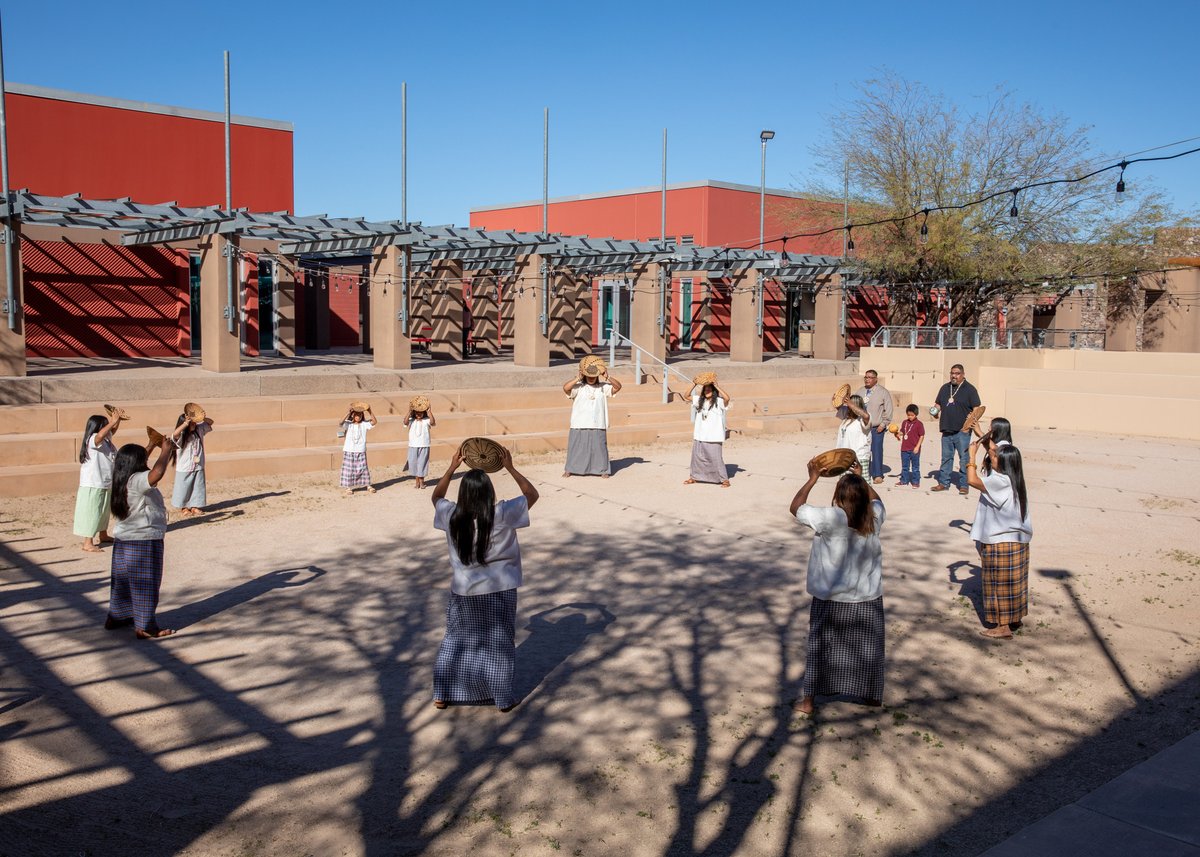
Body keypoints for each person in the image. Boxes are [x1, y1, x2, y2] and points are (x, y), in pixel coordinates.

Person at [431, 444, 540, 711]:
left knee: (456, 639)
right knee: (499, 641)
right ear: (489, 492)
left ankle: (442, 693)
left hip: (464, 589)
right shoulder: (502, 513)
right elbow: (531, 494)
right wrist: (510, 467)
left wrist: (452, 467)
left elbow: (436, 497)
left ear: (464, 493)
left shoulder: (451, 514)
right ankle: (502, 697)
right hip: (500, 587)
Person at [789, 459, 886, 716]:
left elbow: (796, 507)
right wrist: (862, 479)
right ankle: (873, 695)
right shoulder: (873, 517)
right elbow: (879, 502)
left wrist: (812, 478)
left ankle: (809, 701)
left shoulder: (832, 518)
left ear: (839, 496)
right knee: (869, 648)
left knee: (821, 647)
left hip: (832, 595)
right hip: (867, 595)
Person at [106, 435, 175, 639]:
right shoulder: (137, 481)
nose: (146, 462)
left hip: (124, 540)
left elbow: (137, 462)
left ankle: (117, 616)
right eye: (143, 460)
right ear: (137, 464)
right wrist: (165, 450)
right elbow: (157, 472)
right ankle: (145, 626)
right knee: (146, 583)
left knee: (123, 583)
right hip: (143, 539)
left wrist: (152, 444)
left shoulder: (120, 477)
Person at [967, 440, 1032, 639]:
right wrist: (982, 436)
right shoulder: (1013, 477)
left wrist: (971, 456)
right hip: (1017, 540)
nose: (991, 456)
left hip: (1001, 541)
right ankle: (1014, 618)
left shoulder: (1000, 480)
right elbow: (994, 449)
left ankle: (1002, 627)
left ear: (1003, 464)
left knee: (998, 583)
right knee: (1015, 583)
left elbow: (972, 480)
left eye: (994, 456)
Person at [73, 412, 122, 552]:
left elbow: (111, 431)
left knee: (104, 510)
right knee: (92, 511)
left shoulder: (106, 440)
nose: (108, 428)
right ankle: (87, 542)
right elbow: (101, 434)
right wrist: (112, 422)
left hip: (105, 481)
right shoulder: (93, 439)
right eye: (105, 425)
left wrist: (118, 421)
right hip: (93, 482)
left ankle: (103, 534)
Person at [562, 364, 622, 478]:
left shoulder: (603, 387)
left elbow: (618, 387)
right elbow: (565, 388)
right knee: (576, 448)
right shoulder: (578, 387)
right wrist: (577, 378)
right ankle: (570, 469)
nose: (591, 377)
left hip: (598, 422)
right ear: (584, 375)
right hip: (579, 422)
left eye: (593, 375)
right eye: (588, 375)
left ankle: (603, 469)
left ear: (597, 375)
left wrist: (608, 377)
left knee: (599, 448)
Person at [931, 364, 982, 496]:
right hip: (946, 429)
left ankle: (964, 484)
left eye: (957, 373)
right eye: (952, 373)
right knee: (946, 458)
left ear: (963, 374)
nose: (954, 376)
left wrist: (969, 425)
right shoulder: (945, 388)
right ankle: (943, 483)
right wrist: (935, 411)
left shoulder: (970, 389)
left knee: (964, 459)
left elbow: (977, 409)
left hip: (962, 432)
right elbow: (938, 404)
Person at [684, 380, 731, 487]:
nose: (707, 391)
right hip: (700, 434)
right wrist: (694, 384)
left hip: (714, 435)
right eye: (705, 389)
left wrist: (717, 386)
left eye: (709, 389)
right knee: (697, 458)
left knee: (716, 458)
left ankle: (724, 480)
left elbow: (727, 398)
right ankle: (694, 477)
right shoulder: (699, 400)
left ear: (713, 391)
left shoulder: (718, 401)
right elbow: (686, 395)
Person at [170, 410, 215, 517]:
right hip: (185, 466)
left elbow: (210, 422)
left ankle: (195, 506)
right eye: (192, 423)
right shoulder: (181, 435)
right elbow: (174, 434)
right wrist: (185, 423)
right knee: (183, 487)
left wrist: (202, 417)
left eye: (194, 422)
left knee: (197, 486)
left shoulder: (199, 430)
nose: (194, 424)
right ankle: (184, 507)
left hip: (198, 465)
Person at [856, 369, 894, 484]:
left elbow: (889, 409)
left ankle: (878, 475)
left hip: (877, 427)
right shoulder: (860, 391)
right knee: (862, 451)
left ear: (875, 379)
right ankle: (863, 473)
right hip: (862, 427)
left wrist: (883, 424)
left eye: (870, 377)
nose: (867, 379)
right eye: (866, 377)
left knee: (876, 451)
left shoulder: (883, 392)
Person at [340, 405, 377, 495]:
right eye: (356, 415)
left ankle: (368, 485)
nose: (358, 417)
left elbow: (375, 422)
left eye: (360, 415)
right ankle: (348, 487)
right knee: (349, 469)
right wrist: (348, 412)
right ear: (353, 416)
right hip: (349, 450)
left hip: (360, 450)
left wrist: (370, 411)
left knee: (363, 468)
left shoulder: (364, 424)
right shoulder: (349, 424)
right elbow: (340, 423)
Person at [835, 393, 872, 474]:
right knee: (845, 485)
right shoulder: (846, 419)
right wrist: (837, 398)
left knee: (861, 485)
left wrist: (851, 404)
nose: (848, 408)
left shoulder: (862, 420)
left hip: (859, 458)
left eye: (849, 406)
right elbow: (837, 406)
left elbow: (866, 416)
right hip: (844, 459)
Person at [404, 401, 436, 489]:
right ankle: (417, 480)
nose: (418, 414)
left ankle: (422, 481)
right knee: (413, 463)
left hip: (424, 444)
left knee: (422, 462)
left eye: (421, 412)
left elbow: (433, 422)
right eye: (417, 412)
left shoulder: (426, 420)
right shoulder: (411, 420)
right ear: (414, 413)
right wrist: (409, 411)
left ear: (424, 413)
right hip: (413, 445)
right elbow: (405, 422)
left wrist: (429, 412)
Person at [897, 403, 925, 488]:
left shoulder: (919, 424)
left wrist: (917, 447)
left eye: (912, 415)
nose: (910, 417)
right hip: (904, 448)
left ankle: (915, 482)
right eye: (908, 415)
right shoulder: (905, 422)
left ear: (916, 414)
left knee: (915, 467)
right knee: (905, 467)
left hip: (914, 449)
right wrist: (898, 434)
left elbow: (922, 435)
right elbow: (902, 432)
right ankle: (904, 480)